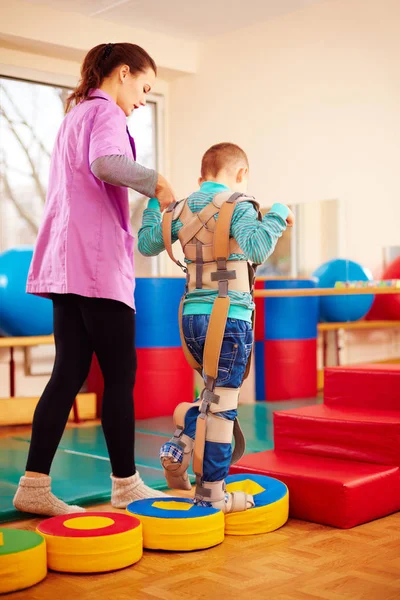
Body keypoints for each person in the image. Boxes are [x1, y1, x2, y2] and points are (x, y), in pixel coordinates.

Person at [13, 42, 174, 517]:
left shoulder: (73, 117)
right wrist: (159, 183)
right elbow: (106, 165)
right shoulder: (106, 113)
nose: (143, 99)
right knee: (121, 376)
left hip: (66, 266)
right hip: (95, 267)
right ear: (123, 73)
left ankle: (34, 485)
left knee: (68, 373)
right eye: (144, 86)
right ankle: (126, 485)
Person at [138, 142, 294, 513]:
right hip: (228, 317)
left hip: (190, 317)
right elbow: (256, 248)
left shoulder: (180, 208)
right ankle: (212, 495)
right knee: (223, 405)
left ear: (201, 177)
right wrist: (278, 214)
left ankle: (183, 445)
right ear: (240, 174)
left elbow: (146, 244)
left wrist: (153, 205)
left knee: (210, 394)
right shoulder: (240, 203)